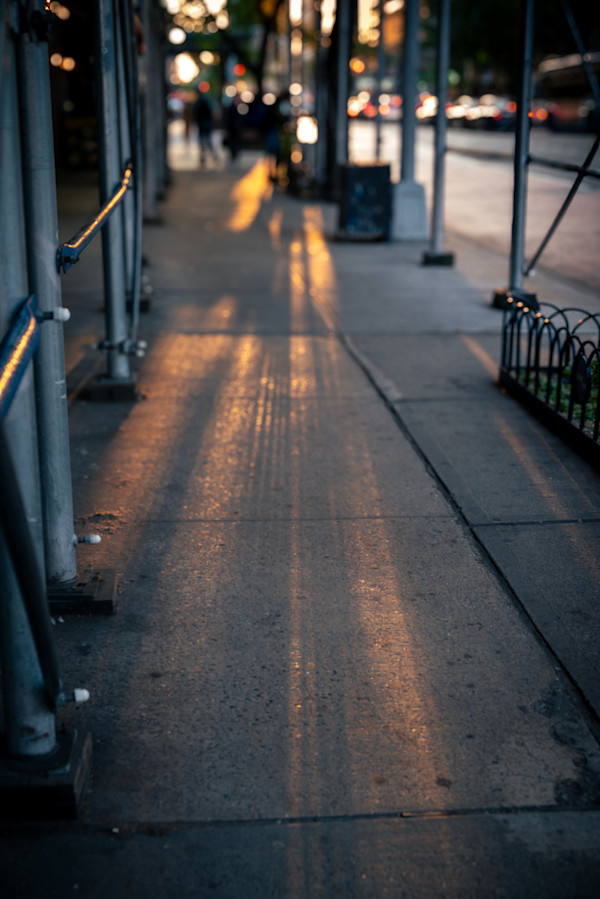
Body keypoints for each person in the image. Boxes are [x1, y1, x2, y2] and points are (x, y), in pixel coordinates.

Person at [193, 92, 214, 165]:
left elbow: (194, 113)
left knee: (203, 141)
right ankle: (211, 155)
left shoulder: (198, 103)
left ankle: (204, 156)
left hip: (202, 125)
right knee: (208, 141)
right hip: (206, 124)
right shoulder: (207, 102)